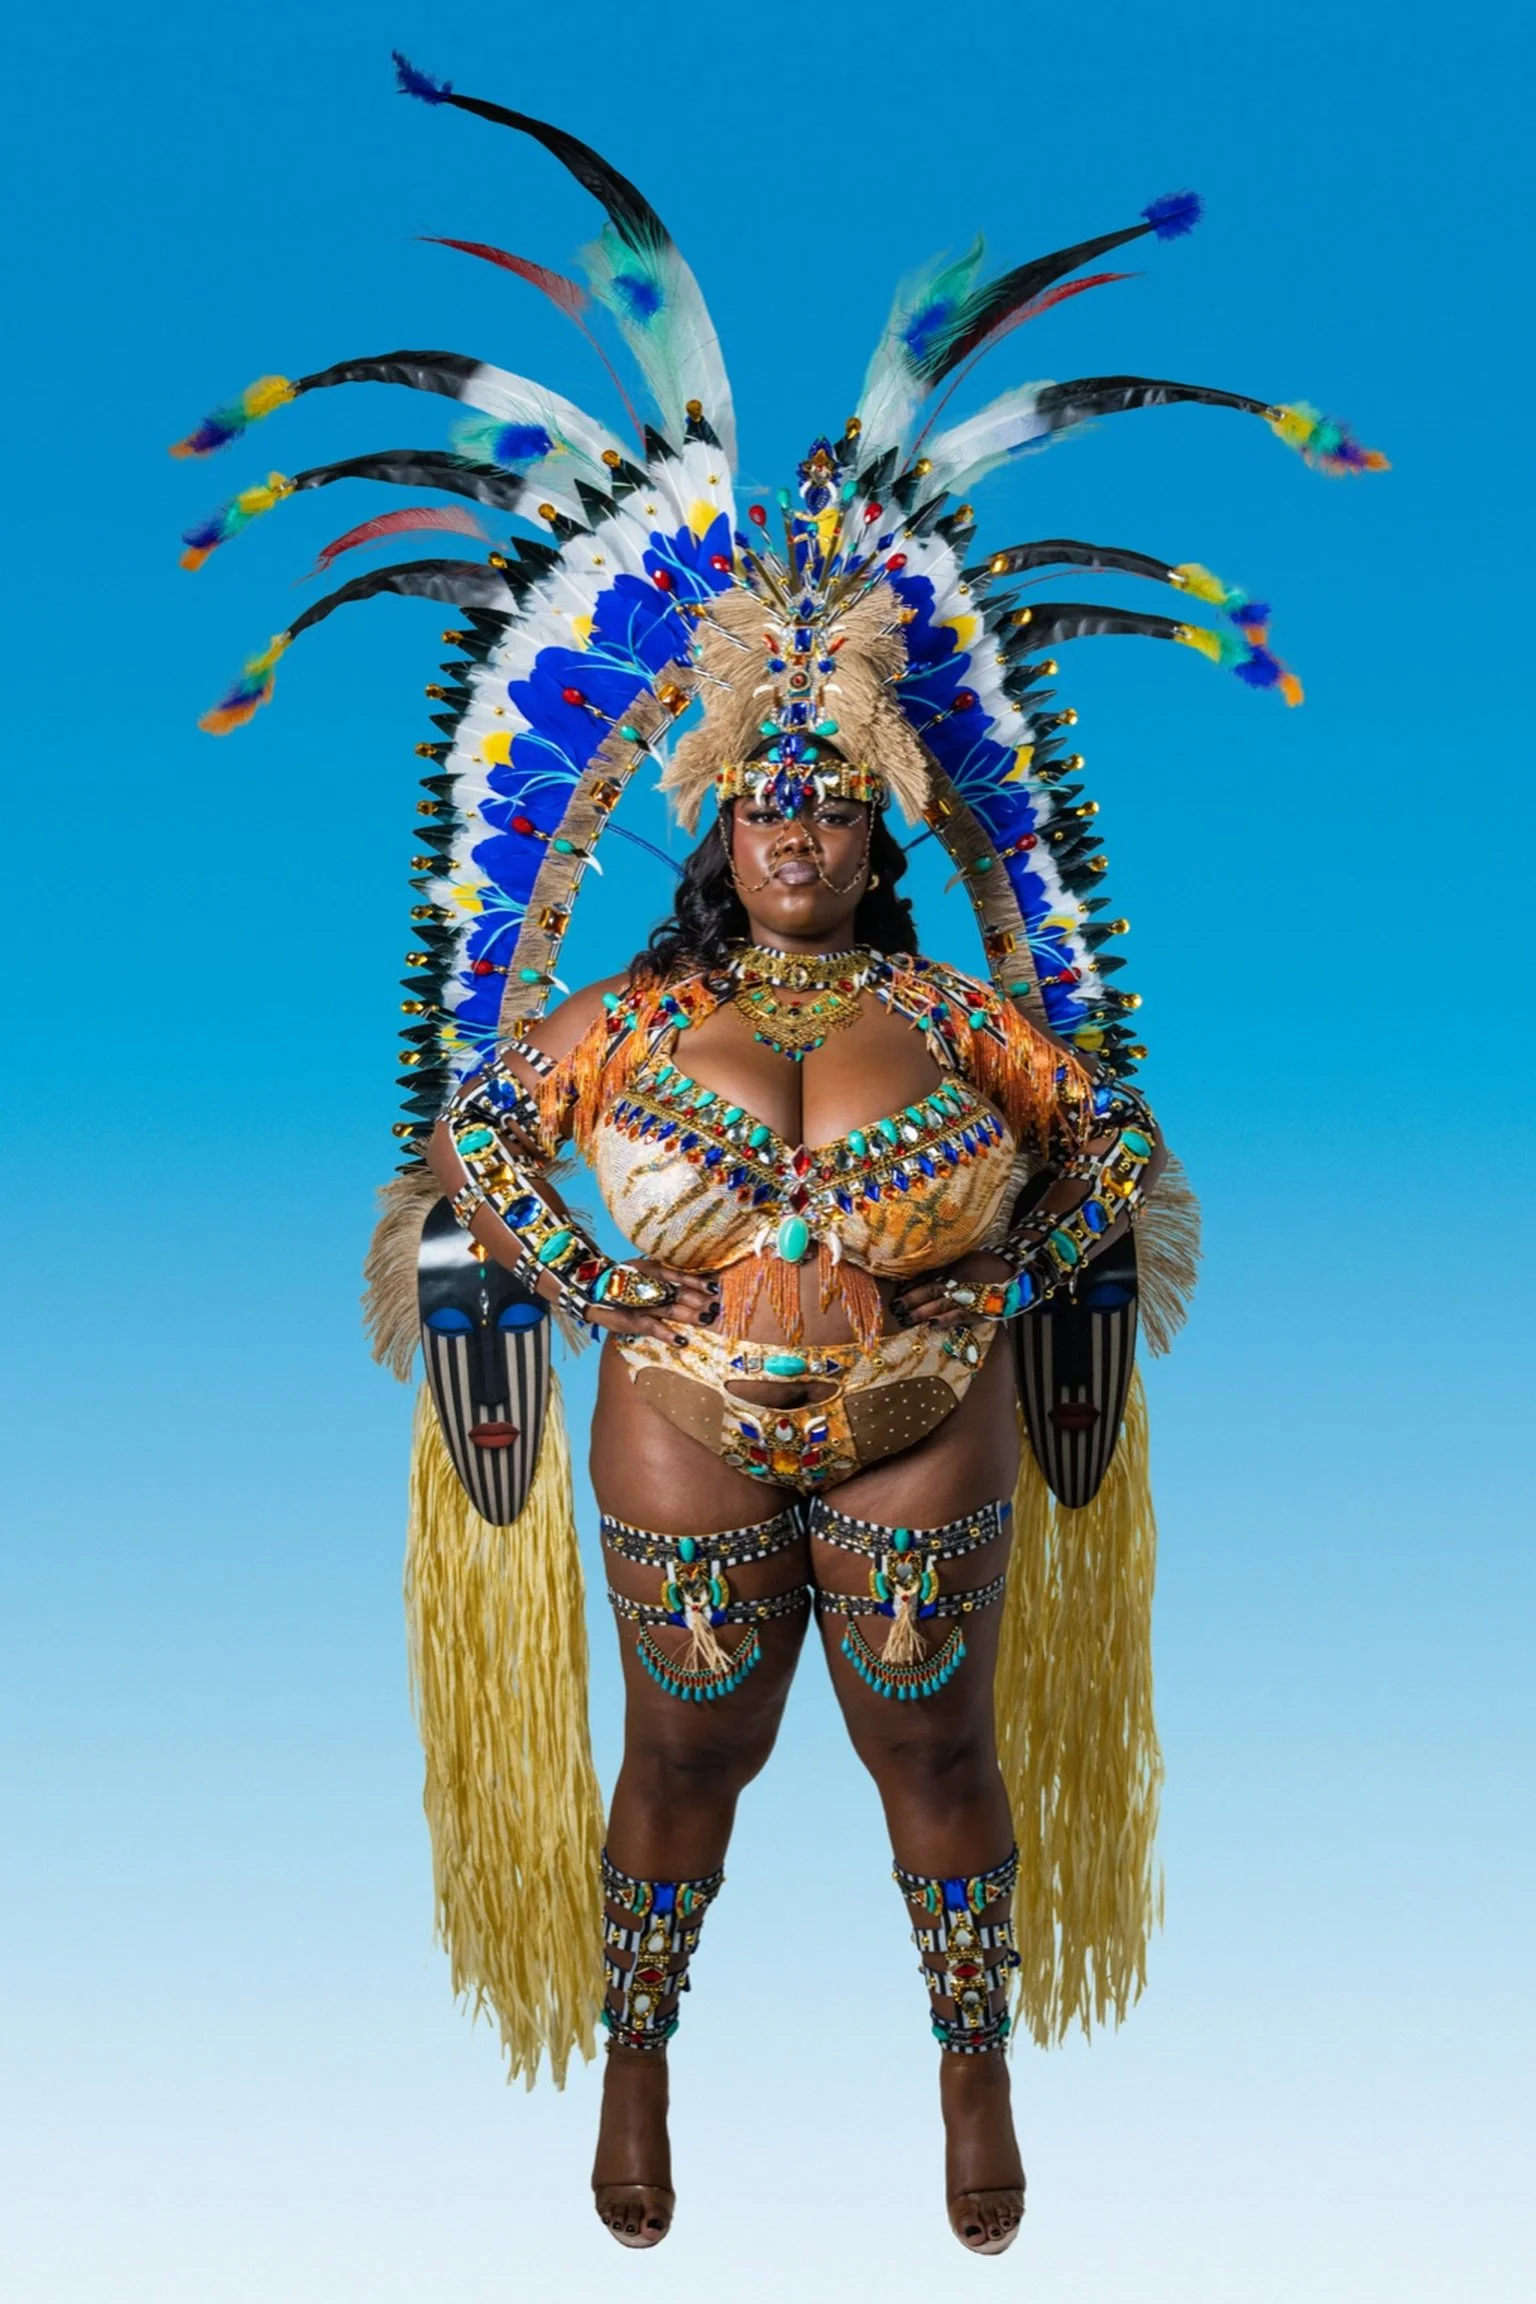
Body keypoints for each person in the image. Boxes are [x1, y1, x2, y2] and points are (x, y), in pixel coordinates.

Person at [173, 51, 1382, 2256]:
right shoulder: (621, 1019)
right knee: (682, 1767)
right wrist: (624, 1292)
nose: (804, 826)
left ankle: (973, 2075)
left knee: (938, 1763)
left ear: (885, 822)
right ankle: (638, 2065)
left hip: (926, 1417)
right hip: (687, 1426)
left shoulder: (958, 1018)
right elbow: (474, 1153)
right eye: (768, 799)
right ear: (717, 819)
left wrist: (977, 1295)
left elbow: (1107, 1151)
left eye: (835, 799)